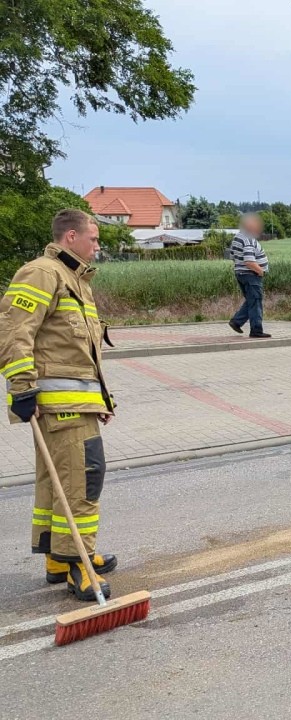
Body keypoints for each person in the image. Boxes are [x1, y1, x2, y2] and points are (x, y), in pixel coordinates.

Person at [1, 209, 118, 601]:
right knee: (81, 480)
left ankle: (56, 557)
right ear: (71, 237)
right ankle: (77, 566)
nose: (97, 246)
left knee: (59, 481)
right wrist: (21, 387)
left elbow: (77, 351)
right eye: (94, 238)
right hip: (57, 405)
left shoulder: (75, 279)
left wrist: (100, 398)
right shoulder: (43, 272)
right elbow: (14, 329)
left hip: (76, 402)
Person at [229, 213, 271, 338]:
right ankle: (256, 330)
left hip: (241, 274)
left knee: (251, 301)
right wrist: (261, 271)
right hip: (251, 275)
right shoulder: (247, 239)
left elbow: (232, 256)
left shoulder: (237, 237)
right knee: (256, 302)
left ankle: (236, 322)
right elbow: (249, 261)